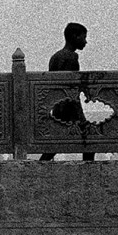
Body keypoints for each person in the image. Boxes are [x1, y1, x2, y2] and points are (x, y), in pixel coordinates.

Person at [40, 22, 94, 161]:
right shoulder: (71, 57)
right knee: (90, 141)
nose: (85, 42)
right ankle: (89, 170)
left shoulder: (55, 57)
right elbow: (71, 88)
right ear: (75, 36)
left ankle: (40, 166)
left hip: (58, 106)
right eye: (84, 37)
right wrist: (80, 115)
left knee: (56, 145)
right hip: (69, 108)